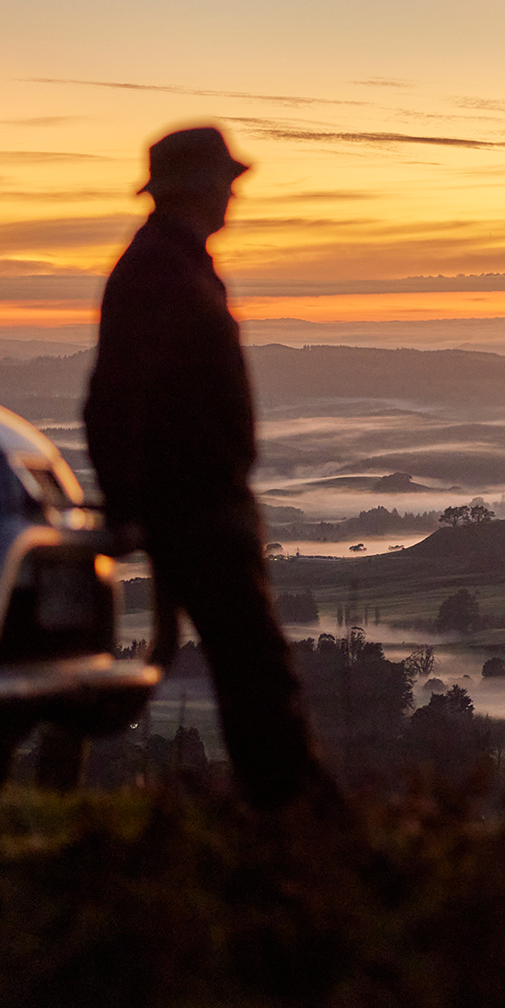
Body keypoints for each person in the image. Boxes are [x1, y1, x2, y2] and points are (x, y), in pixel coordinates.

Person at [80, 125, 336, 813]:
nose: (235, 193)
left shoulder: (177, 261)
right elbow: (115, 395)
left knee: (250, 666)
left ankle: (291, 812)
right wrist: (130, 501)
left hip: (205, 497)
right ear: (195, 187)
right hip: (193, 503)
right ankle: (299, 818)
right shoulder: (160, 269)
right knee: (256, 668)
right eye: (226, 180)